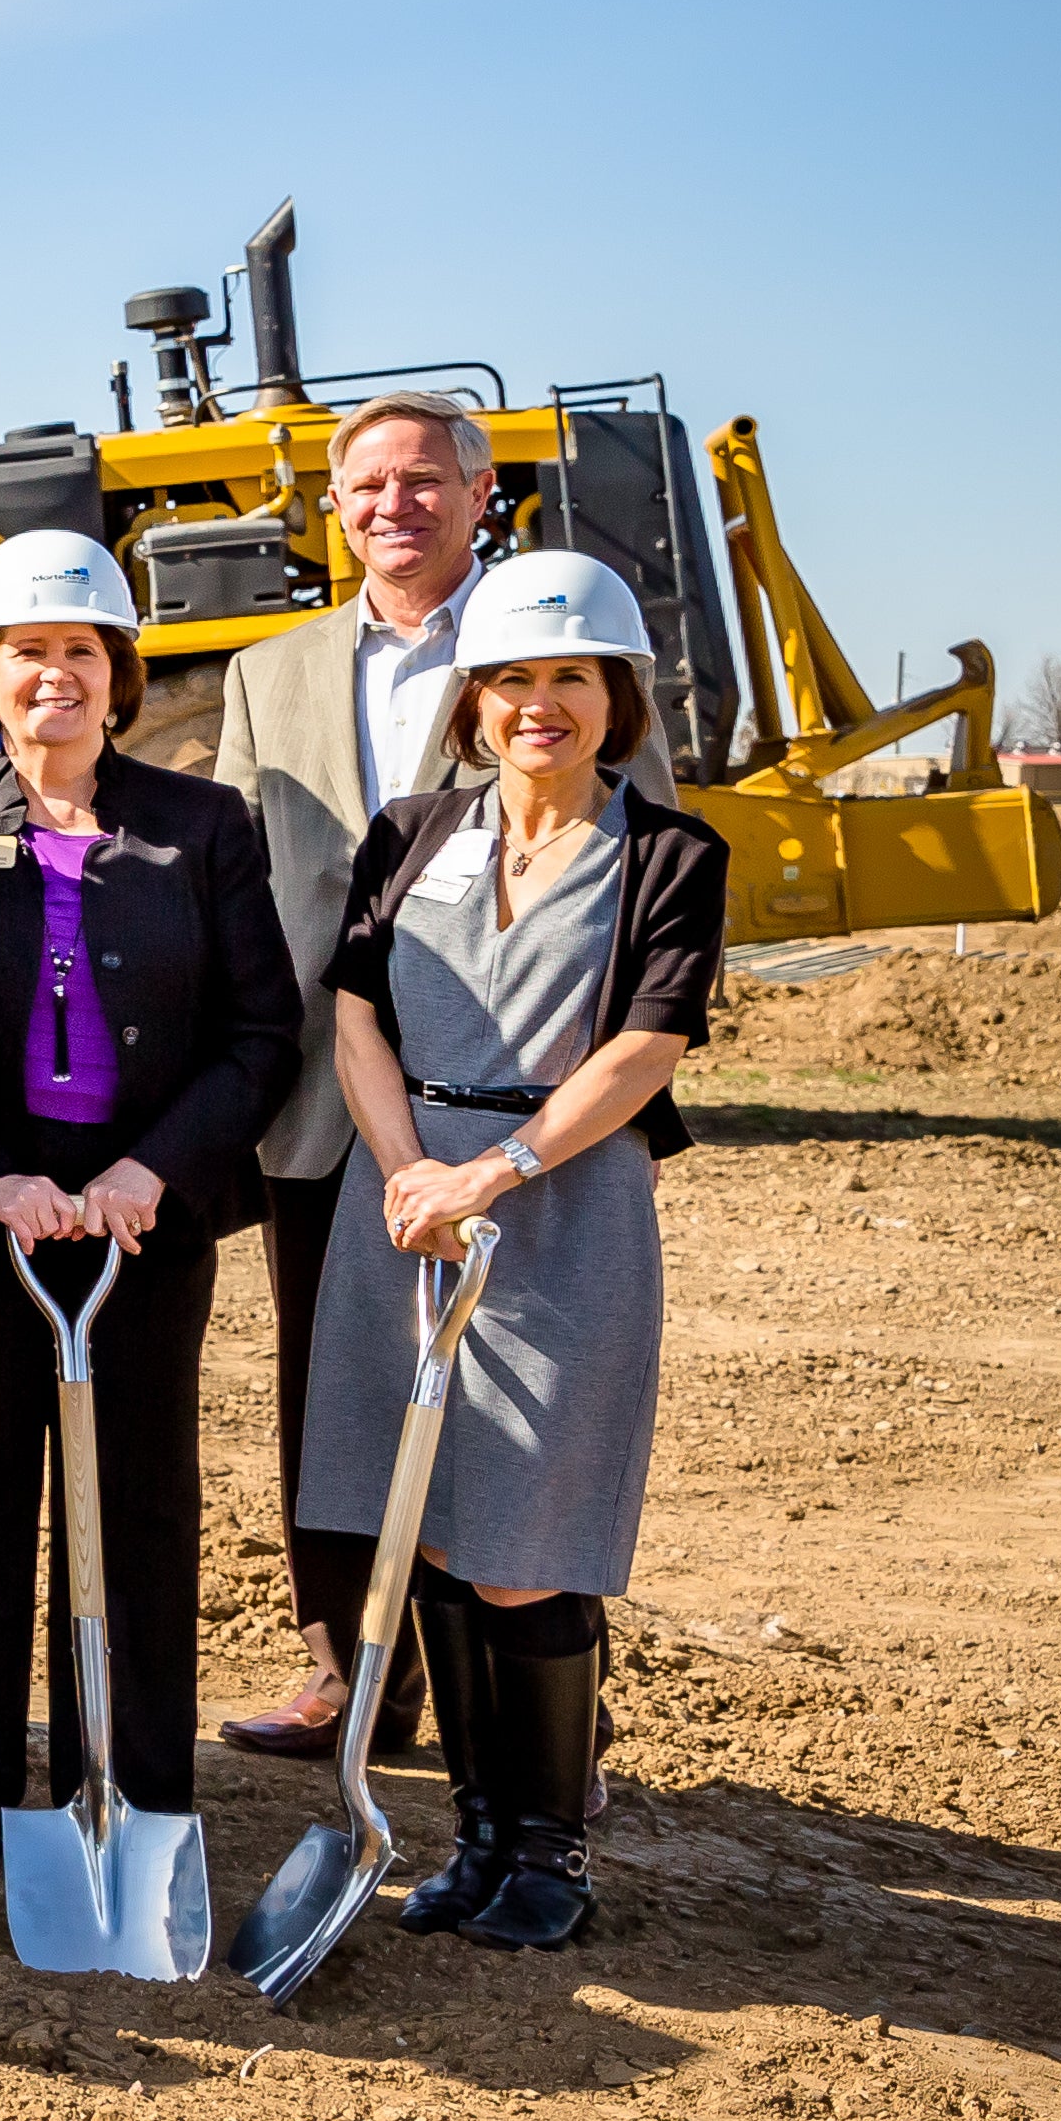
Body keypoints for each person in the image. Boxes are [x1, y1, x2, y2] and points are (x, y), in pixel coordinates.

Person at [211, 391, 675, 1759]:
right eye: (368, 486)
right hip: (328, 1087)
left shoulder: (549, 642)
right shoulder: (267, 674)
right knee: (336, 1387)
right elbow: (246, 883)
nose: (395, 505)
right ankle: (347, 1672)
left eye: (426, 481)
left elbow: (645, 860)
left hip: (518, 1092)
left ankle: (545, 1733)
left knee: (526, 1408)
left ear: (481, 497)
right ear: (333, 509)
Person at [300, 550, 722, 1953]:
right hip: (405, 1206)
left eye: (569, 679)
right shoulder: (414, 832)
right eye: (513, 680)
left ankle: (552, 1851)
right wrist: (408, 1166)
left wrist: (496, 1166)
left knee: (526, 1544)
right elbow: (358, 1015)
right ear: (473, 698)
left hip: (559, 1210)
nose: (539, 705)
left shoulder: (667, 855)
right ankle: (471, 1840)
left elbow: (645, 1049)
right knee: (425, 1526)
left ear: (616, 699)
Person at [0, 533, 298, 1870]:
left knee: (134, 1507)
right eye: (23, 656)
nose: (52, 676)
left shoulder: (204, 825)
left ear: (119, 675)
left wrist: (147, 1172)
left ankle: (129, 1785)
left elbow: (260, 1033)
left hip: (137, 1230)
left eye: (78, 652)